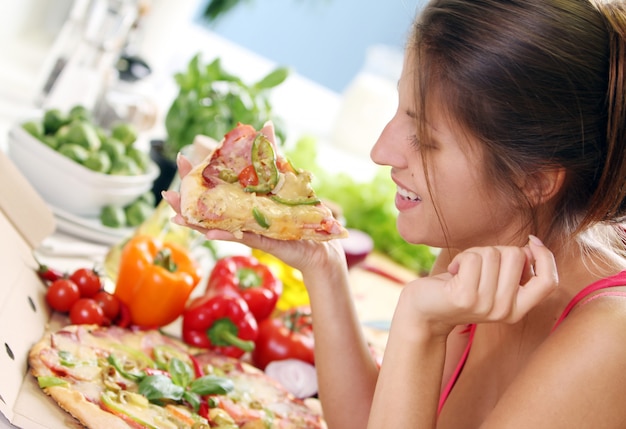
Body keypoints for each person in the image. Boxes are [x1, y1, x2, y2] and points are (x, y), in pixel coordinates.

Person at [164, 0, 626, 427]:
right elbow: (377, 418)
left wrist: (420, 326)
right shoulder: (482, 240)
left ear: (536, 180)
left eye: (424, 139)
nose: (380, 151)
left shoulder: (610, 340)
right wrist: (322, 264)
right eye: (399, 109)